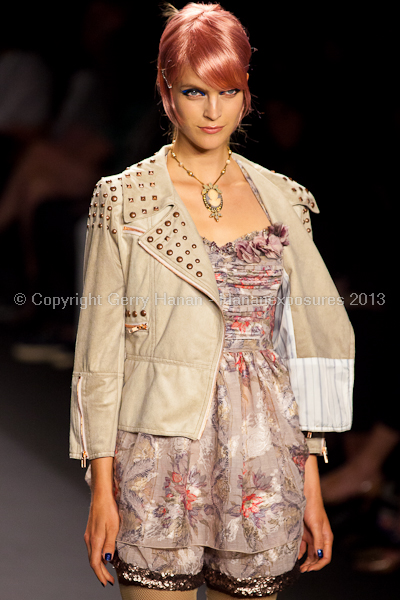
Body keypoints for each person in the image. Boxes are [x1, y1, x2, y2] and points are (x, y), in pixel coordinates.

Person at [69, 4, 355, 599]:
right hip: (157, 456)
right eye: (195, 91)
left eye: (229, 90)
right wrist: (101, 490)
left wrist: (312, 488)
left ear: (246, 93)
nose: (213, 110)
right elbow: (99, 355)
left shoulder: (283, 200)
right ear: (167, 93)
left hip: (264, 454)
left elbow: (299, 346)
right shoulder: (123, 201)